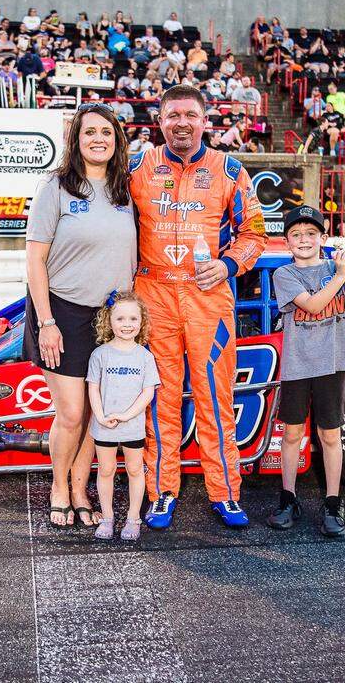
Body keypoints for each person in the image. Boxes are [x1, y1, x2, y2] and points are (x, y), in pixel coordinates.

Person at [129, 85, 268, 529]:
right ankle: (161, 493)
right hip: (153, 296)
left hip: (208, 296)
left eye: (190, 115)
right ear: (160, 121)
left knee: (215, 397)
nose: (182, 123)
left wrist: (228, 265)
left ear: (205, 121)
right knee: (158, 399)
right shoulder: (137, 167)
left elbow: (255, 233)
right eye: (173, 115)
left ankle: (225, 493)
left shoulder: (229, 169)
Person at [25, 103, 137, 528]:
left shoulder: (125, 190)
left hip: (110, 318)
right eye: (90, 132)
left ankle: (79, 486)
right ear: (76, 140)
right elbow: (35, 260)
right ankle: (59, 487)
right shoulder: (56, 187)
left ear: (117, 140)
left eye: (106, 132)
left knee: (94, 413)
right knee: (71, 413)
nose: (98, 139)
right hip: (62, 313)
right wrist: (47, 322)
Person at [267, 206, 345, 537]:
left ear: (323, 238)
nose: (304, 240)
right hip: (298, 364)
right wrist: (340, 276)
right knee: (292, 434)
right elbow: (312, 305)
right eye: (296, 234)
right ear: (287, 242)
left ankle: (332, 503)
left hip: (332, 363)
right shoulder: (284, 274)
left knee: (330, 435)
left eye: (311, 233)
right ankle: (288, 499)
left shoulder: (334, 265)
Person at [87, 292, 158, 542]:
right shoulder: (100, 354)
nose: (127, 324)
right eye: (120, 319)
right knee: (106, 470)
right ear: (109, 320)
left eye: (133, 319)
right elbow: (93, 388)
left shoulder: (145, 356)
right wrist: (100, 416)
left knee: (135, 469)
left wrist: (127, 415)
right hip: (104, 425)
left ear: (141, 321)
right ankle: (107, 517)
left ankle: (133, 518)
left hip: (132, 426)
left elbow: (148, 392)